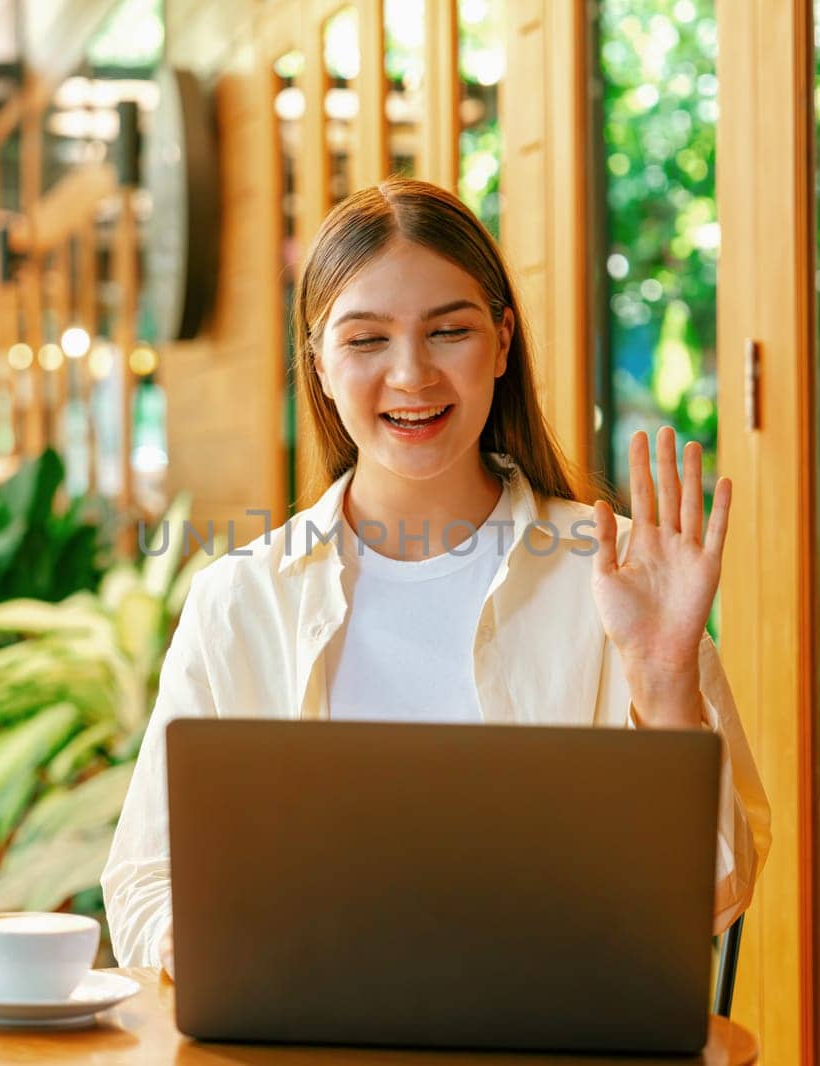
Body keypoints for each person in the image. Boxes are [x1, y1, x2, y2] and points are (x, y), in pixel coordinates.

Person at [100, 177, 770, 975]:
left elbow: (716, 896)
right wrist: (207, 939)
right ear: (317, 362)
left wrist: (665, 685)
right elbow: (144, 880)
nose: (411, 375)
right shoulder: (241, 600)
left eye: (448, 332)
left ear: (502, 341)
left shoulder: (623, 576)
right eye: (366, 339)